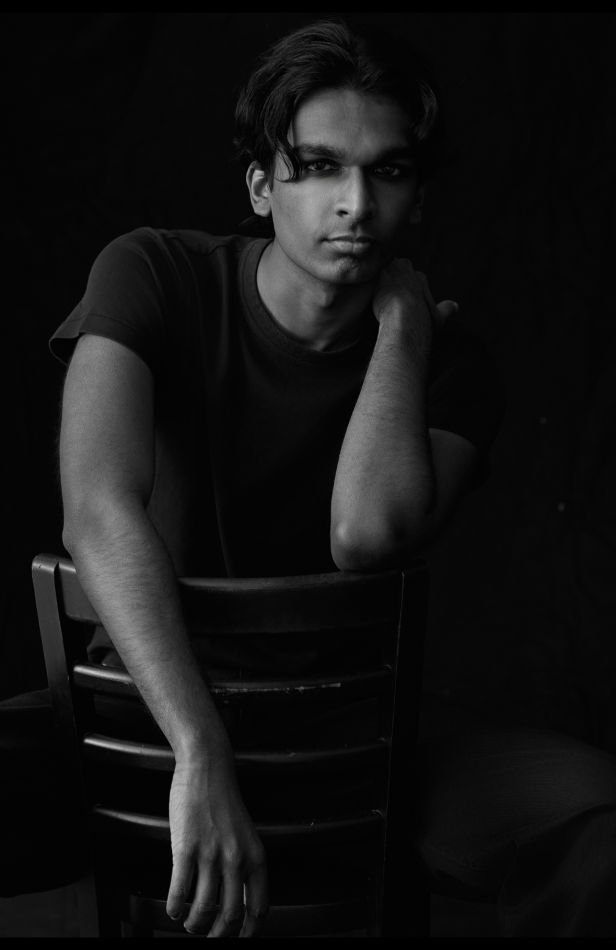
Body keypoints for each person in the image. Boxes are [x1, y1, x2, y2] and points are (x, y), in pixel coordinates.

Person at [11, 17, 616, 938]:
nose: (356, 203)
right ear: (262, 186)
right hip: (138, 714)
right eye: (320, 167)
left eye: (389, 171)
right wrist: (200, 747)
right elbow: (96, 512)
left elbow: (365, 537)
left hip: (355, 740)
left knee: (597, 822)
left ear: (418, 197)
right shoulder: (153, 276)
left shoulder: (452, 365)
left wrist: (402, 329)